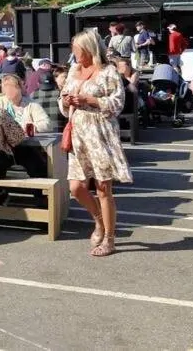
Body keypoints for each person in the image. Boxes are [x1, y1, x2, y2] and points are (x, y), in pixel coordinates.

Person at [59, 29, 131, 257]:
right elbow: (63, 104)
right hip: (78, 134)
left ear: (89, 49)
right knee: (76, 187)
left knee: (103, 188)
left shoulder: (108, 72)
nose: (74, 53)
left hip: (100, 133)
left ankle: (109, 239)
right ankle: (98, 219)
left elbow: (118, 103)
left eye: (77, 50)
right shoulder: (73, 70)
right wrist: (66, 100)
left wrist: (89, 100)